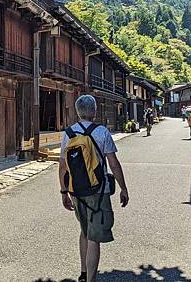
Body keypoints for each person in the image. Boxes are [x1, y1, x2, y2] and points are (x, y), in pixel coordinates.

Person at [59, 95, 129, 282]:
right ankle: (90, 279)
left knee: (84, 230)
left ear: (77, 111)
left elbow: (63, 166)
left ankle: (83, 272)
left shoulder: (68, 133)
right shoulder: (102, 132)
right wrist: (123, 188)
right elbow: (113, 164)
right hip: (99, 190)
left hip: (76, 190)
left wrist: (64, 191)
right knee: (94, 237)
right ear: (94, 111)